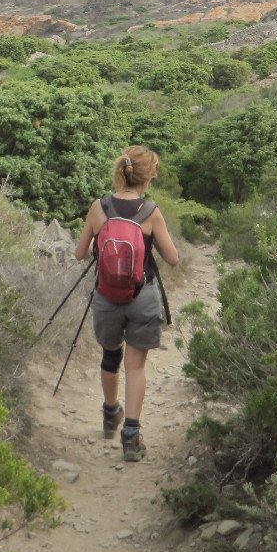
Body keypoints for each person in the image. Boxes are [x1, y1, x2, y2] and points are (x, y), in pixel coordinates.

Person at [74, 145, 180, 461]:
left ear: (122, 172)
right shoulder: (151, 212)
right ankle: (131, 437)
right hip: (142, 297)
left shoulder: (98, 208)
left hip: (106, 296)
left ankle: (110, 414)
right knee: (135, 366)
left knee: (110, 355)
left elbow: (79, 254)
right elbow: (173, 259)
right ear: (147, 179)